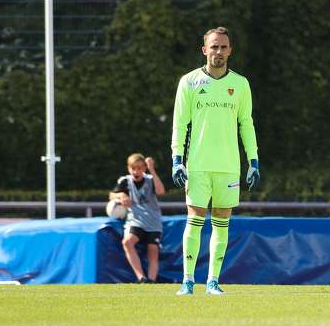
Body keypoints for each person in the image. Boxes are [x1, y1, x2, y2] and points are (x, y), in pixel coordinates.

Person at [170, 26, 259, 295]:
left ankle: (212, 281)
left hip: (229, 165)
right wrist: (177, 159)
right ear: (204, 49)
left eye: (223, 47)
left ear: (230, 50)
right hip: (197, 164)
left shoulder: (241, 84)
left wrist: (253, 160)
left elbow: (246, 123)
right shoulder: (189, 82)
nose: (218, 51)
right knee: (194, 219)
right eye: (214, 46)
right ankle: (187, 281)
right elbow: (180, 123)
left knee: (222, 221)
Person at [110, 153, 166, 283]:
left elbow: (161, 191)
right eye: (133, 168)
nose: (136, 171)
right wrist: (121, 195)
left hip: (153, 222)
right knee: (127, 242)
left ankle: (151, 281)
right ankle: (141, 278)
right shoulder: (125, 181)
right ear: (129, 168)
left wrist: (152, 169)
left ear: (144, 168)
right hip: (135, 221)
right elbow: (111, 195)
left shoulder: (150, 179)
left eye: (140, 168)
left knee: (153, 251)